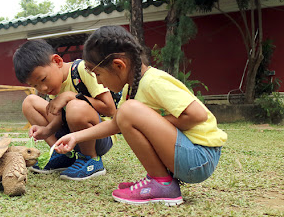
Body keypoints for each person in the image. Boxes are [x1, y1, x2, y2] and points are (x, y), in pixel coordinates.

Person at [53, 26, 227, 205]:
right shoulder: (131, 88)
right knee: (127, 113)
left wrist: (150, 125)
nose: (98, 81)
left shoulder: (153, 81)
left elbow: (198, 115)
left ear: (118, 65)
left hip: (199, 157)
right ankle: (159, 181)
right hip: (189, 155)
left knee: (128, 111)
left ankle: (163, 184)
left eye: (97, 73)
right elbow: (117, 124)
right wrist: (75, 136)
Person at [13, 39, 116, 180]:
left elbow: (110, 109)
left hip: (98, 136)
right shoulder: (53, 85)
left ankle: (90, 159)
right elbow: (59, 117)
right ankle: (63, 155)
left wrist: (71, 96)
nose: (43, 88)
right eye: (35, 85)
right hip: (71, 134)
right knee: (29, 102)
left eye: (43, 79)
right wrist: (47, 130)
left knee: (75, 105)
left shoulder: (82, 70)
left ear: (57, 61)